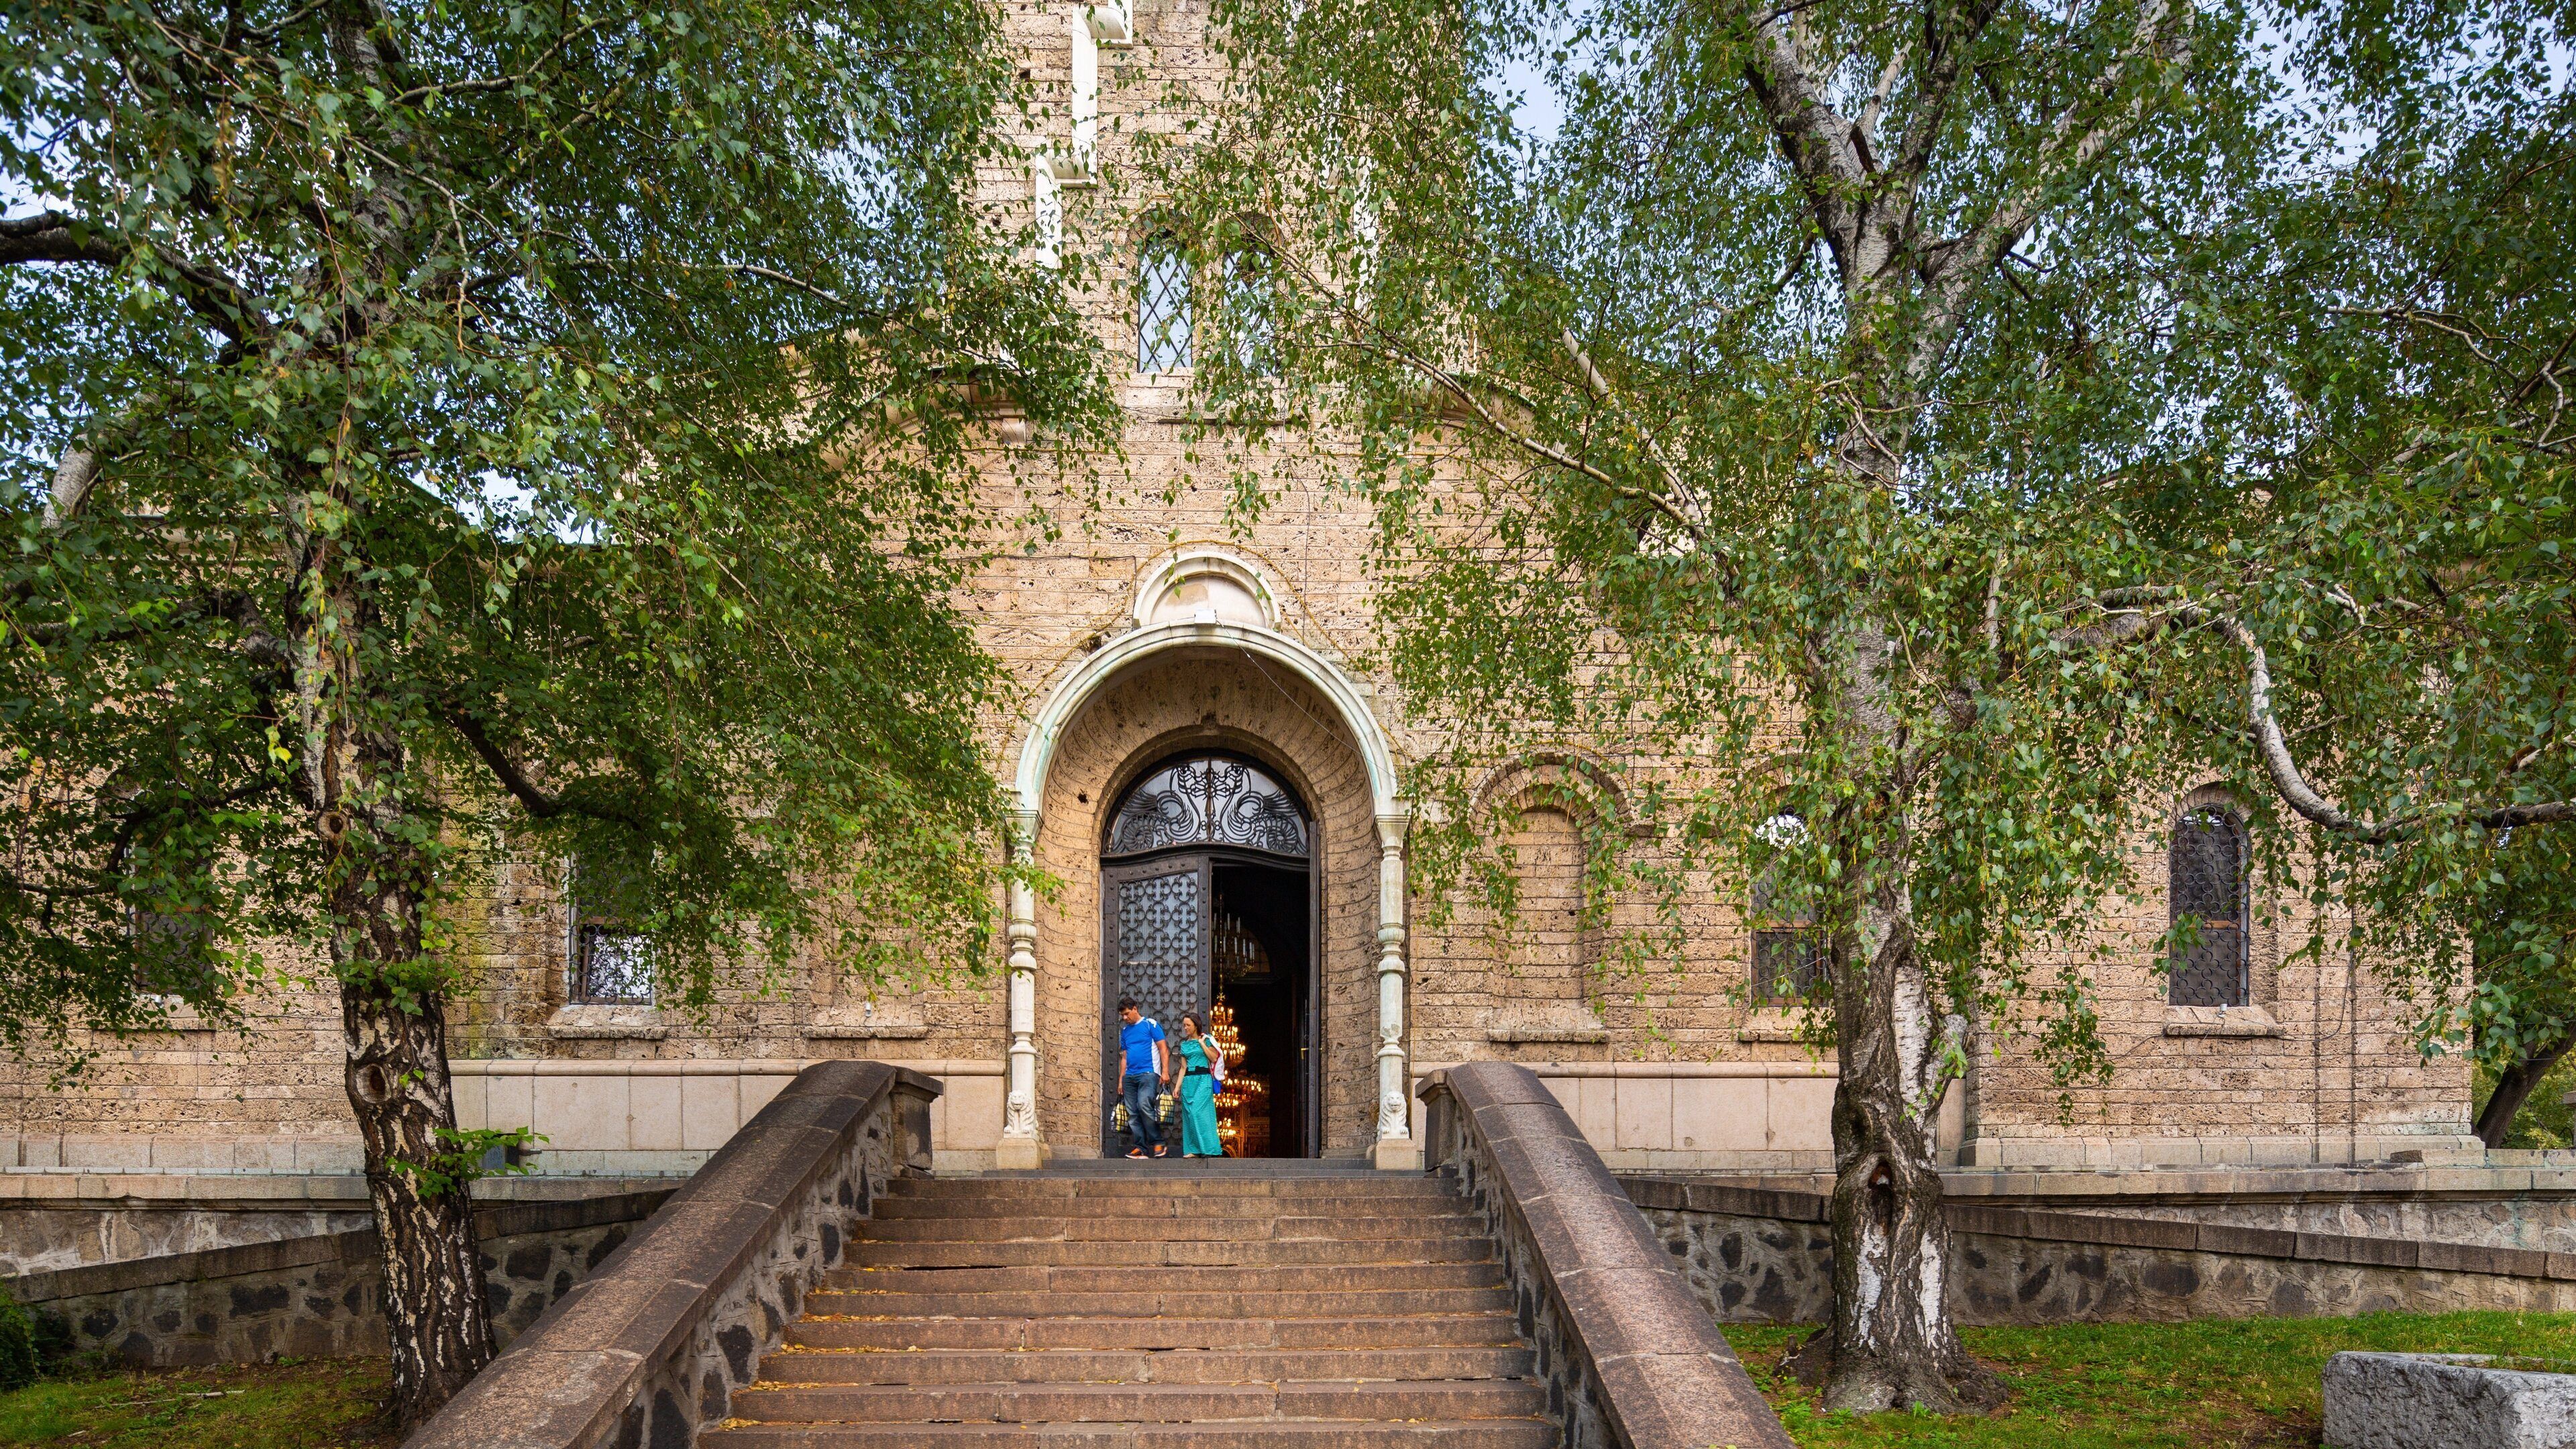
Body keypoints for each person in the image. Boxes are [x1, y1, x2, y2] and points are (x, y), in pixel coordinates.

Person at [1116, 997, 1169, 1159]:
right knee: (1132, 1113)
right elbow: (1124, 1057)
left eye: (1127, 1014)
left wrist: (1165, 1071)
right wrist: (1121, 1080)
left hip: (1148, 1074)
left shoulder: (1150, 1024)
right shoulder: (1125, 1032)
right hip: (1129, 1077)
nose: (1125, 1018)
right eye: (1122, 1015)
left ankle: (1158, 1142)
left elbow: (1163, 1049)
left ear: (1135, 1008)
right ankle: (1141, 1148)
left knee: (1144, 1105)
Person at [1173, 1012, 1225, 1159]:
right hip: (1189, 1081)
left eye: (1188, 1025)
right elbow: (1183, 1067)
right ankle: (1194, 1150)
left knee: (1198, 1112)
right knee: (1189, 1115)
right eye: (1184, 1025)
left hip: (1203, 1079)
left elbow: (1213, 1058)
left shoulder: (1207, 1040)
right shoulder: (1184, 1045)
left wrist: (1202, 1044)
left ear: (1196, 1025)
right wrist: (1177, 1087)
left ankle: (1209, 1148)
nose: (1185, 1028)